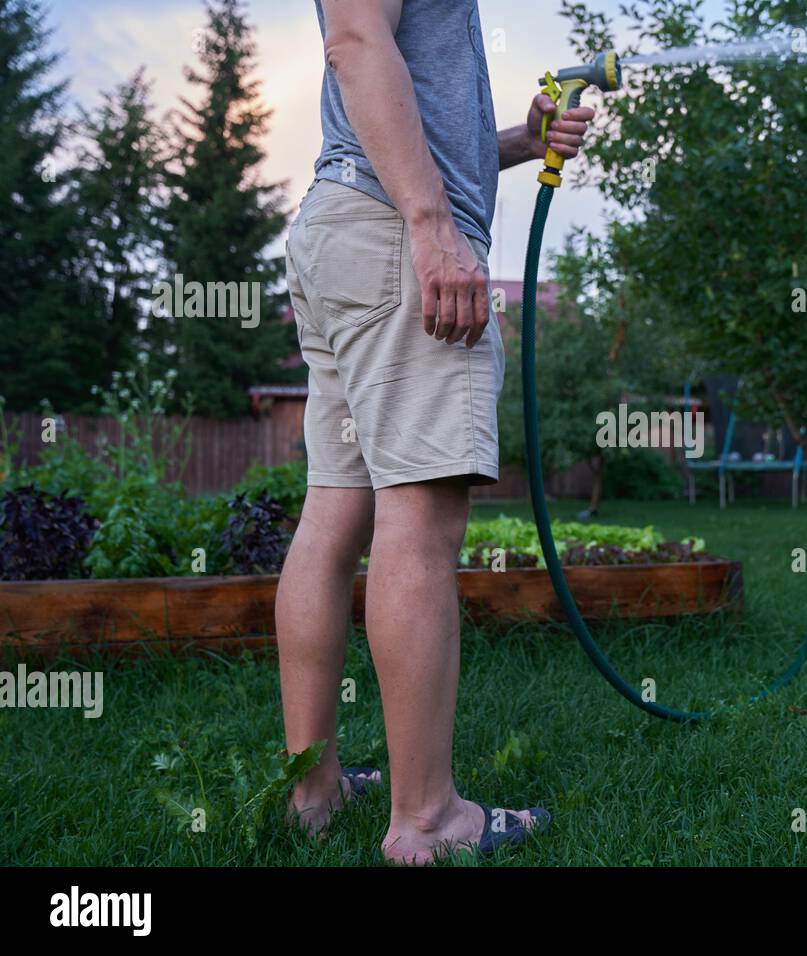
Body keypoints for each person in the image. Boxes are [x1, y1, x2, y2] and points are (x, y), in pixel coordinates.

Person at [277, 0, 595, 865]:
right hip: (393, 236)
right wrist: (431, 227)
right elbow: (353, 40)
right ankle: (427, 822)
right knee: (417, 523)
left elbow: (408, 108)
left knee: (334, 517)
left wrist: (523, 144)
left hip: (346, 222)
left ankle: (313, 790)